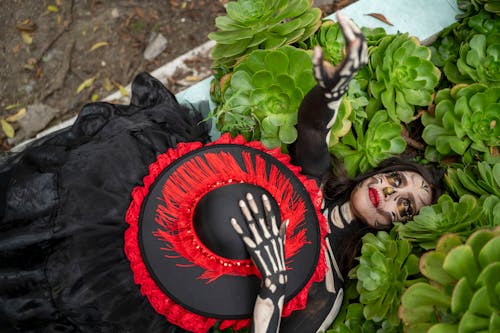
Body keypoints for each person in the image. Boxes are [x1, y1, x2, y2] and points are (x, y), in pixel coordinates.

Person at [0, 14, 442, 333]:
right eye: (397, 178)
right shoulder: (315, 180)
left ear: (399, 228)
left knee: (68, 289)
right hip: (163, 207)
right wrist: (334, 86)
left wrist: (272, 286)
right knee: (74, 194)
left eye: (406, 204)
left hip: (147, 297)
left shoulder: (326, 292)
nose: (390, 191)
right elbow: (312, 127)